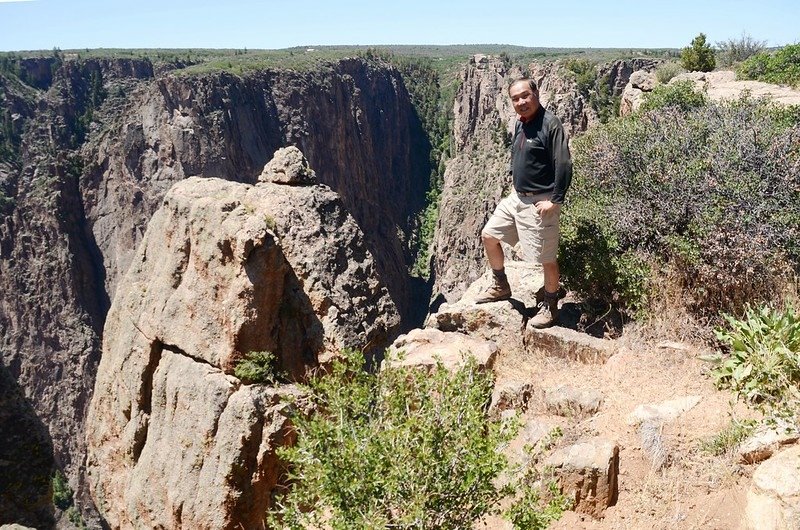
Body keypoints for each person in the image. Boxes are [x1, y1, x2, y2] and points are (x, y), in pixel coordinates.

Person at [475, 78, 572, 328]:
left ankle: (550, 306)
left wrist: (555, 200)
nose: (521, 102)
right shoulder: (521, 123)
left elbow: (563, 164)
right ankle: (501, 285)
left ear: (536, 94)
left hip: (541, 201)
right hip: (517, 198)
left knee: (546, 258)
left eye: (525, 96)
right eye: (515, 98)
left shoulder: (550, 124)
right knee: (489, 235)